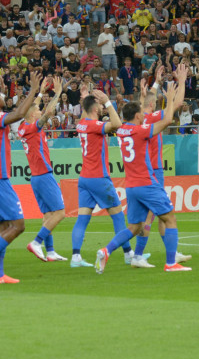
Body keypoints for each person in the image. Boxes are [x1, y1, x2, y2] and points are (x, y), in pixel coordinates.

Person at [95, 78, 190, 273]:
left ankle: (106, 250)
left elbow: (130, 115)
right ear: (138, 116)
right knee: (169, 218)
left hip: (131, 186)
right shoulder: (141, 131)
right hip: (147, 182)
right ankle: (171, 263)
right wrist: (170, 99)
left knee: (135, 226)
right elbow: (167, 121)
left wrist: (112, 101)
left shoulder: (121, 131)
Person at [0, 72, 44, 284]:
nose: (4, 97)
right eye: (0, 95)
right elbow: (20, 113)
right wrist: (33, 90)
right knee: (18, 226)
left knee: (2, 228)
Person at [133, 65, 191, 267]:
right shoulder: (154, 118)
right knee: (154, 214)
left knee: (160, 214)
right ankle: (138, 255)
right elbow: (179, 103)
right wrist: (181, 81)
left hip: (143, 171)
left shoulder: (139, 120)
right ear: (153, 104)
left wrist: (155, 82)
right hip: (153, 171)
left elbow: (147, 99)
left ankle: (170, 252)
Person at [70, 87, 132, 267]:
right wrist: (107, 101)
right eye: (99, 106)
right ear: (96, 109)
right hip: (99, 177)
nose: (102, 107)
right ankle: (128, 254)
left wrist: (85, 100)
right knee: (118, 216)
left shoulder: (81, 124)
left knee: (82, 219)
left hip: (84, 179)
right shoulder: (94, 126)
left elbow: (87, 115)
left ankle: (75, 258)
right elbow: (118, 124)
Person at [18, 77, 70, 263]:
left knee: (48, 215)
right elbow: (48, 113)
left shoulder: (23, 128)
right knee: (60, 213)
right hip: (44, 174)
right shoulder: (33, 127)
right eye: (37, 111)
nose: (39, 111)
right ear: (33, 116)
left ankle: (50, 251)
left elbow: (35, 108)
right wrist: (57, 93)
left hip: (36, 177)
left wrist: (40, 93)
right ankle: (36, 242)